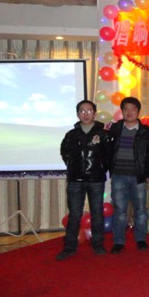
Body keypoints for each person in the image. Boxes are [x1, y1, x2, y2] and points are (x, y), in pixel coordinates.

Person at [57, 100, 112, 261]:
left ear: (94, 113)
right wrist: (73, 166)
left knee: (97, 213)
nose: (86, 114)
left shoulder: (103, 133)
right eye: (82, 111)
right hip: (75, 180)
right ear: (77, 114)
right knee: (75, 214)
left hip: (96, 179)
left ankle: (98, 244)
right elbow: (64, 152)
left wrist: (101, 168)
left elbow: (109, 155)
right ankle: (69, 247)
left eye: (89, 111)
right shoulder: (71, 134)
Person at [108, 97, 149, 253]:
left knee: (140, 210)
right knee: (120, 210)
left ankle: (141, 240)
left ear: (138, 111)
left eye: (133, 109)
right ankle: (119, 241)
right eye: (126, 109)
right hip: (118, 176)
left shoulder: (146, 132)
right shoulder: (114, 129)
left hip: (138, 177)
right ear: (122, 111)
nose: (129, 112)